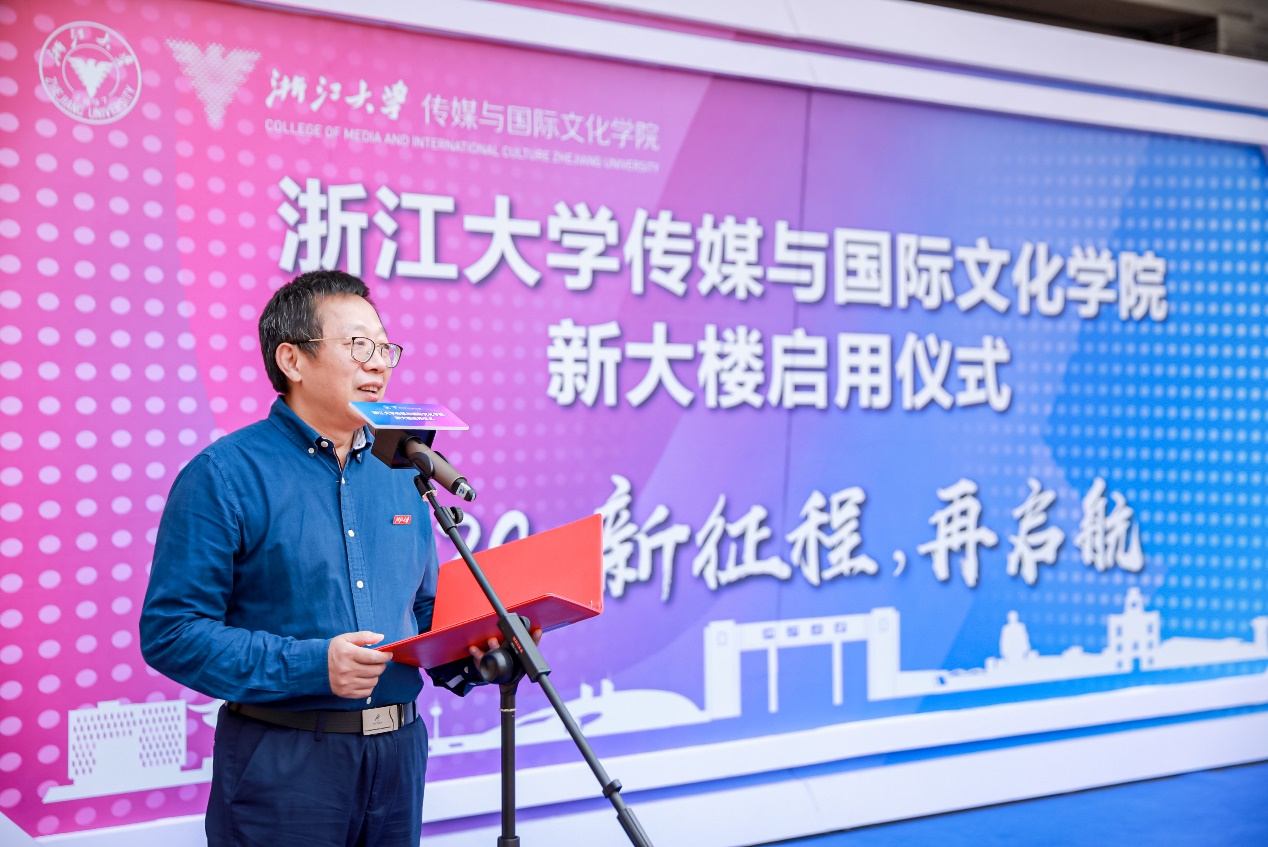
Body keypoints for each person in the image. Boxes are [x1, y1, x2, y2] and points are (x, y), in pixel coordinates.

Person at [140, 270, 499, 847]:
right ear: (293, 360)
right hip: (285, 763)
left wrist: (478, 650)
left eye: (385, 348)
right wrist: (312, 666)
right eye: (359, 345)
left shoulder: (402, 471)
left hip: (399, 756)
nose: (379, 364)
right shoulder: (223, 475)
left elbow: (422, 609)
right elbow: (172, 633)